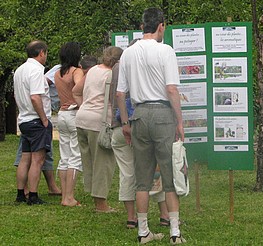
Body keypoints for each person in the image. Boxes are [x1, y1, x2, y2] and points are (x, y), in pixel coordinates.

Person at [117, 7, 185, 244]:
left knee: (142, 179)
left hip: (139, 114)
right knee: (170, 175)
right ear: (161, 26)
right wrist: (179, 121)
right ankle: (174, 232)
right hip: (162, 114)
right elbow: (171, 89)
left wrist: (125, 122)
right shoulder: (166, 50)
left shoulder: (128, 53)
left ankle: (143, 230)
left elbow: (119, 93)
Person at [110, 56, 170, 229]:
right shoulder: (145, 69)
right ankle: (164, 214)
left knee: (127, 173)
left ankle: (131, 218)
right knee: (155, 169)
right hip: (138, 123)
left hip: (118, 127)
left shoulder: (116, 68)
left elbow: (116, 96)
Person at [73, 46, 122, 212]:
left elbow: (76, 91)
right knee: (103, 163)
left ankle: (96, 198)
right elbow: (115, 99)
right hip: (100, 123)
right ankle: (101, 205)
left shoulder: (93, 70)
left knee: (89, 162)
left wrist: (85, 107)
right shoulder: (112, 74)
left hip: (82, 119)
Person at [14, 40, 52, 205]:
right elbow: (35, 97)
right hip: (36, 120)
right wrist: (44, 118)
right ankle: (34, 195)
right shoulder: (36, 71)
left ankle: (21, 193)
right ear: (41, 52)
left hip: (24, 119)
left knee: (25, 158)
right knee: (38, 159)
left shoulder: (20, 70)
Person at [54, 42, 85, 207]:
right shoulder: (76, 71)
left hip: (62, 114)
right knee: (75, 156)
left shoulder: (58, 73)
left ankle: (64, 195)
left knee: (64, 156)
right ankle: (69, 197)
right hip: (74, 113)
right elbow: (79, 87)